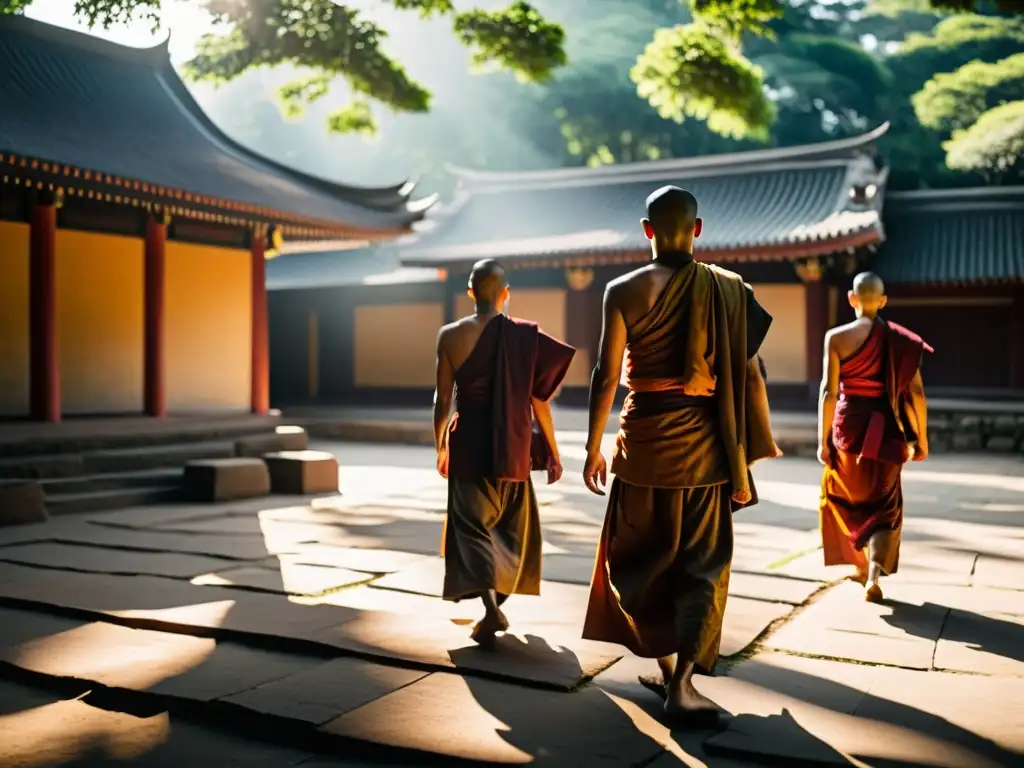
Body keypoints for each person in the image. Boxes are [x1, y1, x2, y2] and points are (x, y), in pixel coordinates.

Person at [580, 186, 780, 725]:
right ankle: (682, 684)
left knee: (638, 560)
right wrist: (746, 452)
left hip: (641, 445)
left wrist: (593, 446)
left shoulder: (621, 290)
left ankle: (669, 672)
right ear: (697, 229)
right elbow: (748, 375)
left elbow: (605, 376)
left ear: (647, 229)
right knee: (702, 567)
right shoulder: (729, 289)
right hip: (705, 449)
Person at [433, 259, 576, 644]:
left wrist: (440, 445)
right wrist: (554, 452)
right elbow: (539, 399)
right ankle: (493, 608)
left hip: (469, 443)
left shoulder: (450, 335)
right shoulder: (523, 337)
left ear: (470, 292)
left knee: (472, 527)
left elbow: (442, 400)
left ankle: (490, 609)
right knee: (511, 528)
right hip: (513, 444)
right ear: (505, 293)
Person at [818, 271, 931, 603]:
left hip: (847, 431)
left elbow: (828, 392)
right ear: (883, 301)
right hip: (888, 434)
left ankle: (860, 563)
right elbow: (917, 393)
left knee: (841, 497)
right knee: (885, 507)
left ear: (851, 298)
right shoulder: (901, 341)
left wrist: (822, 441)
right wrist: (922, 439)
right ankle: (872, 576)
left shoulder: (836, 338)